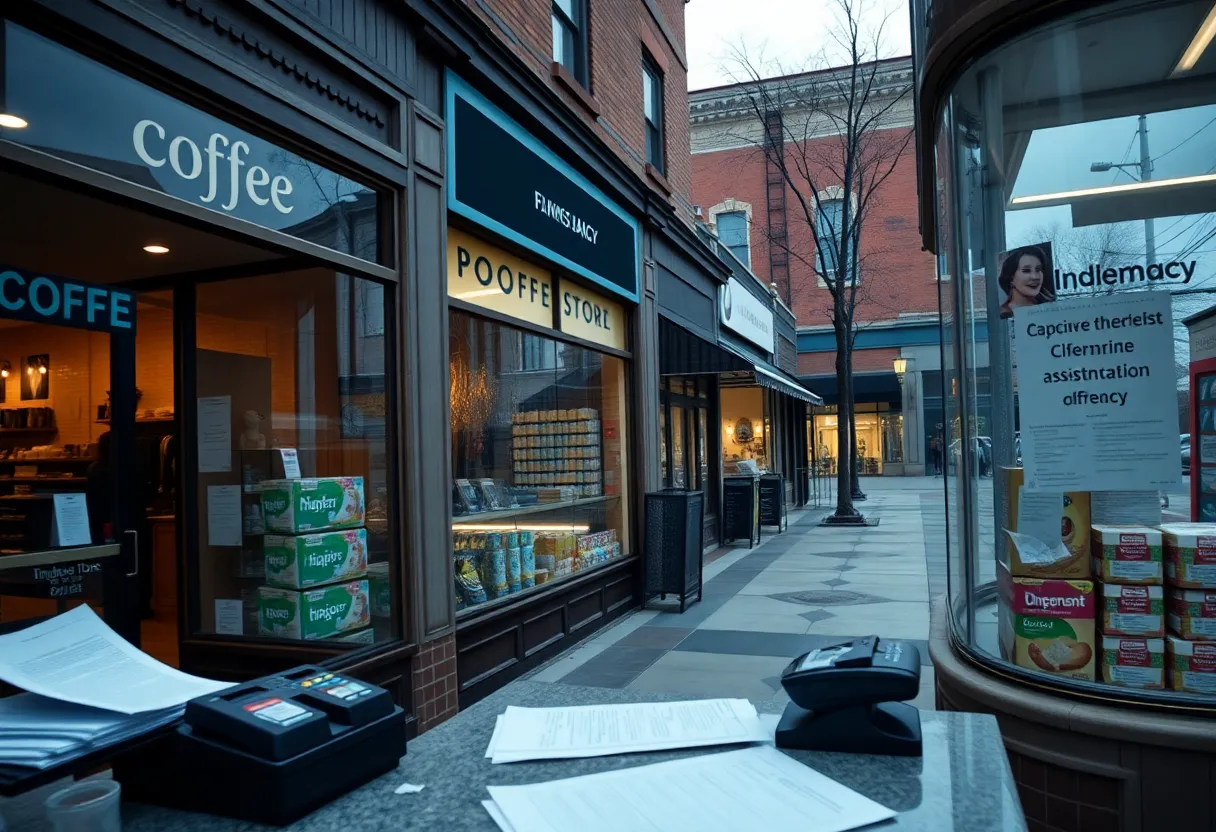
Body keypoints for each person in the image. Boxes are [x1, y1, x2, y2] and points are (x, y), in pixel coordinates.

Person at [998, 245, 1053, 318]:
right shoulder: (1002, 313)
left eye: (1038, 270)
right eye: (1026, 271)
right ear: (1011, 278)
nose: (1035, 277)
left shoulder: (1050, 308)